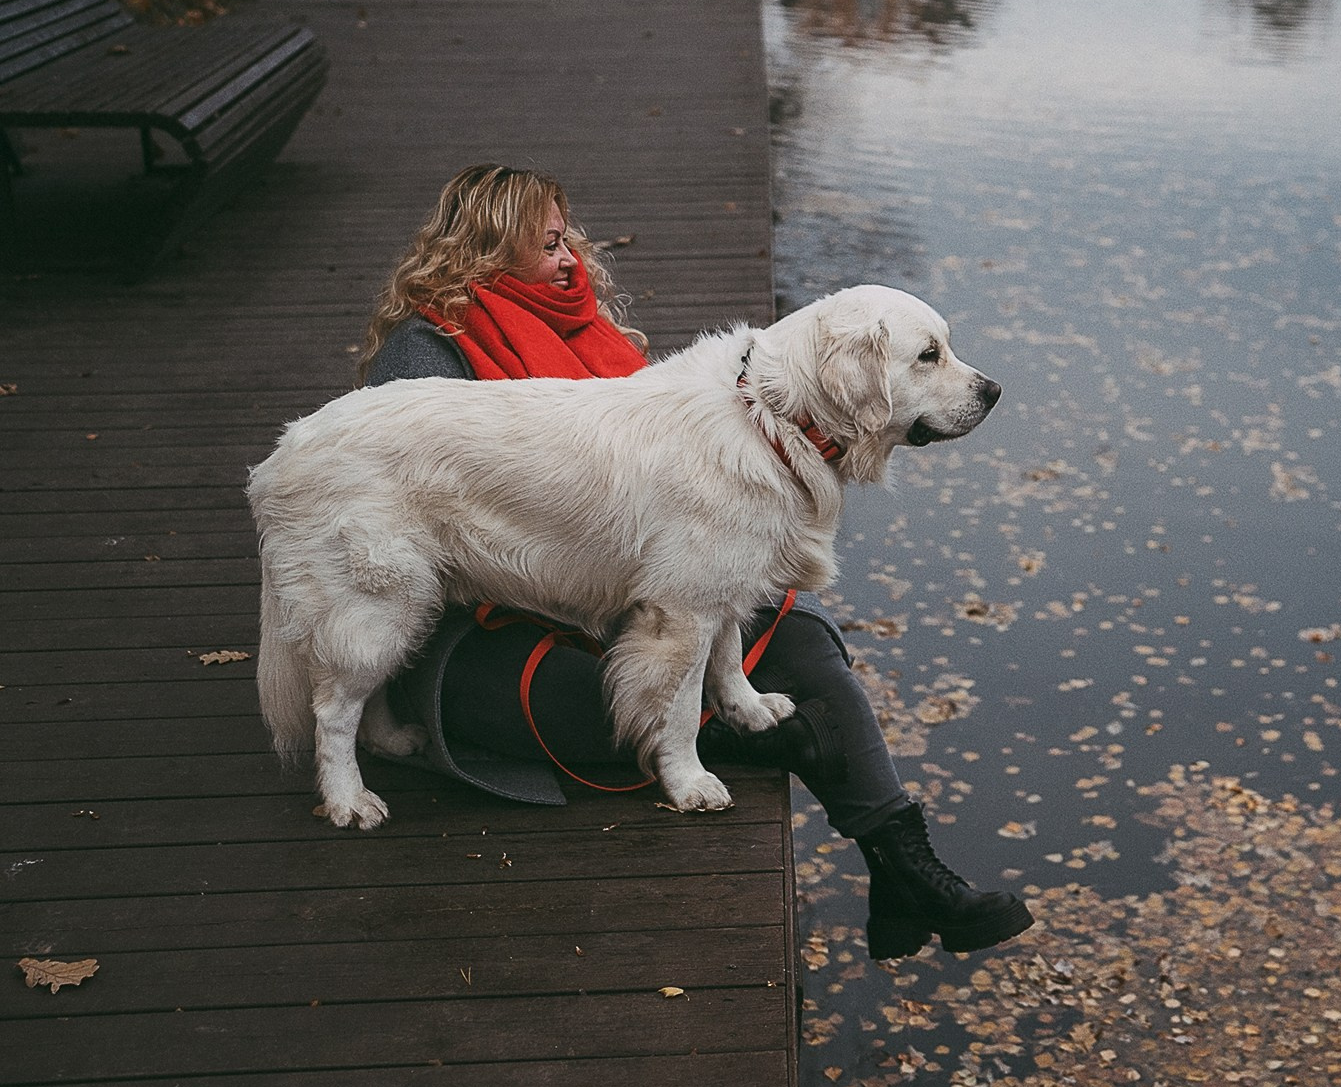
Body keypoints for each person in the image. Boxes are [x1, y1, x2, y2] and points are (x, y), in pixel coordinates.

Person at [356, 163, 1032, 962]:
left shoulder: (585, 325)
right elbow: (400, 530)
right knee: (602, 691)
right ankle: (751, 743)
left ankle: (905, 866)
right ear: (483, 252)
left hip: (623, 588)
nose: (570, 258)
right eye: (544, 245)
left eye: (567, 236)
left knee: (799, 641)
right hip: (484, 623)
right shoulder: (421, 356)